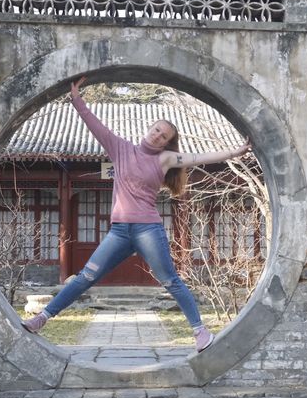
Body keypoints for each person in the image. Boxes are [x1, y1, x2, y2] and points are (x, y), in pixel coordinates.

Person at [22, 76, 251, 352]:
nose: (157, 135)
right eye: (156, 130)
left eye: (163, 136)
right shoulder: (120, 148)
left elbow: (199, 157)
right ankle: (42, 318)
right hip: (119, 232)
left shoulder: (164, 160)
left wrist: (235, 152)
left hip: (148, 230)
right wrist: (77, 100)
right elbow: (95, 126)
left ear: (166, 143)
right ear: (150, 128)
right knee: (85, 277)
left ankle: (200, 332)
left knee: (170, 280)